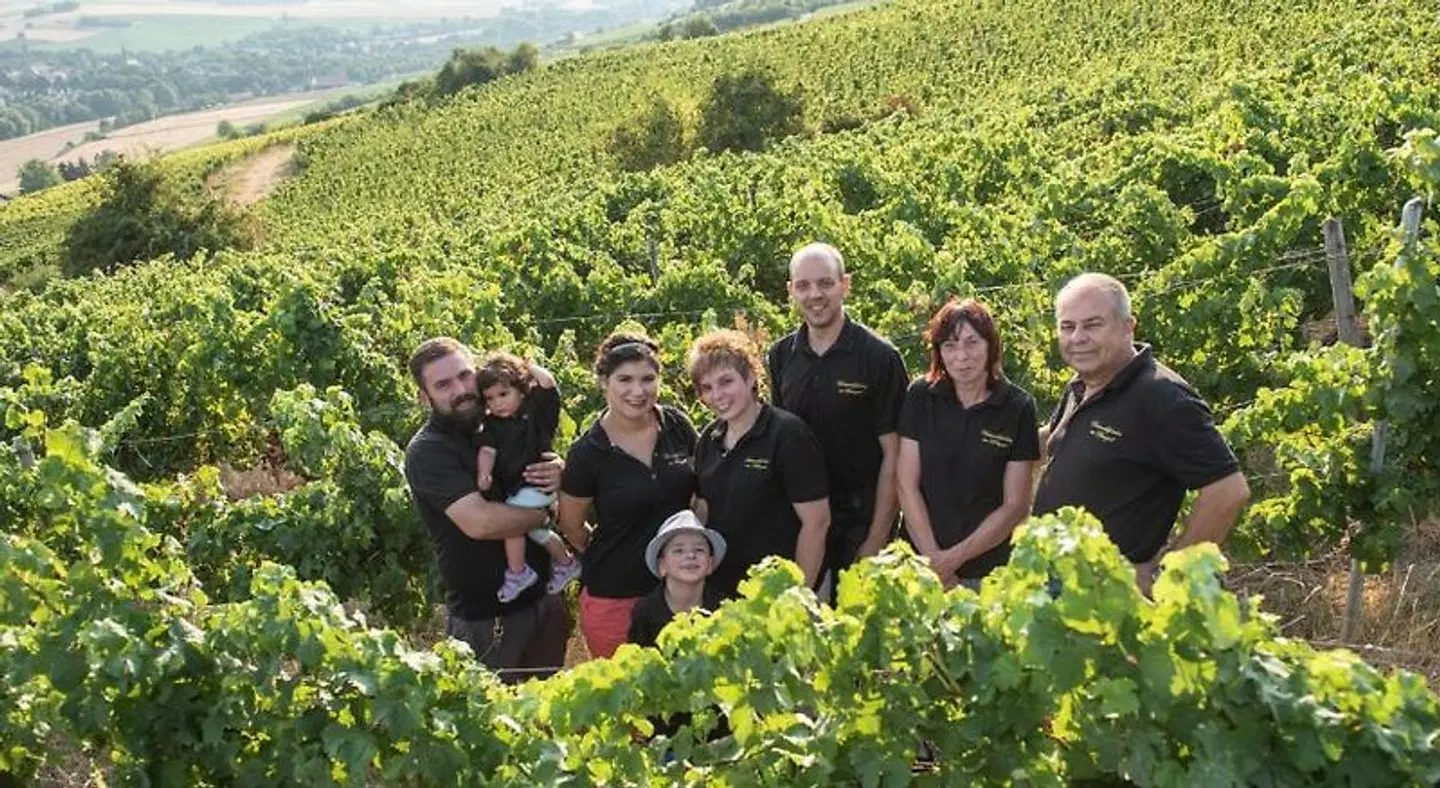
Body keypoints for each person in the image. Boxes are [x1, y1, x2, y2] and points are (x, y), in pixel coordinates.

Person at [1033, 273, 1251, 595]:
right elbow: (1063, 438)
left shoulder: (1162, 398)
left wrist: (1165, 575)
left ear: (1127, 327)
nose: (1078, 337)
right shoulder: (1083, 384)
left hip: (1109, 599)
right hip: (1058, 583)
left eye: (1093, 325)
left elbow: (1228, 491)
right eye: (1068, 326)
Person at [403, 337, 569, 678]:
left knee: (548, 716)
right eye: (444, 384)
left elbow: (538, 467)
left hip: (544, 603)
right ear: (424, 397)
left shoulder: (500, 424)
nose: (462, 389)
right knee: (493, 721)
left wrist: (559, 472)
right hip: (489, 620)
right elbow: (482, 523)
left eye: (465, 375)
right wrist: (546, 512)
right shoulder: (429, 451)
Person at [766, 242, 907, 599]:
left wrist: (876, 538)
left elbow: (895, 455)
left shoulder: (879, 357)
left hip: (862, 521)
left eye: (825, 283)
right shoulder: (781, 356)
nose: (815, 295)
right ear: (791, 291)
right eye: (803, 285)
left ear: (845, 285)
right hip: (803, 520)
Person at [557, 333, 700, 659]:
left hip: (681, 592)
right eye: (625, 380)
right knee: (628, 696)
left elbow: (700, 493)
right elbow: (571, 524)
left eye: (648, 379)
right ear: (604, 383)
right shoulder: (588, 452)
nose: (638, 391)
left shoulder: (677, 426)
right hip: (616, 596)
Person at [896, 299, 1040, 589]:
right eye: (949, 345)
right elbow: (905, 484)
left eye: (972, 342)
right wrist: (932, 560)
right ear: (938, 352)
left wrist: (952, 560)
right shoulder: (921, 396)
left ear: (991, 346)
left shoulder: (1017, 407)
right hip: (918, 566)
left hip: (985, 573)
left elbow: (1015, 505)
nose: (962, 356)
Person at [691, 329, 830, 599]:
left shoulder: (788, 435)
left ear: (751, 377)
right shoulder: (709, 438)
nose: (717, 395)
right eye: (707, 388)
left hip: (781, 591)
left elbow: (817, 523)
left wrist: (798, 594)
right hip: (726, 591)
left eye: (726, 382)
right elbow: (706, 509)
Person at [472, 351, 582, 602]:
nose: (497, 403)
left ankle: (518, 572)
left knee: (512, 523)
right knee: (538, 533)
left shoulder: (537, 413)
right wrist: (484, 472)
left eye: (503, 394)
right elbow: (487, 450)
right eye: (490, 398)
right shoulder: (491, 425)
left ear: (521, 390)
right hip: (519, 489)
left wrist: (527, 367)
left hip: (538, 483)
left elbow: (548, 384)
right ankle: (566, 563)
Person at [628, 509, 726, 649]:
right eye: (678, 551)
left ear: (710, 564)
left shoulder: (723, 608)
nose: (690, 555)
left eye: (699, 550)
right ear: (662, 565)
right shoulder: (645, 611)